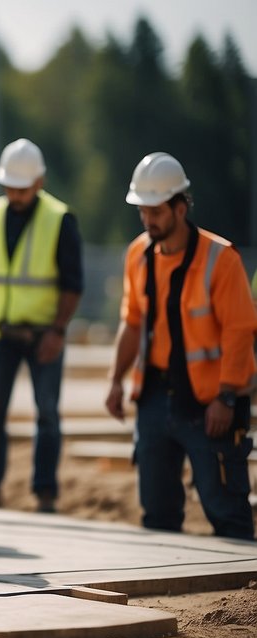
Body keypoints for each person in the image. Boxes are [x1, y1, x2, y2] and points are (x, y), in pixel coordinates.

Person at [105, 152, 256, 541]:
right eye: (142, 211)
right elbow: (132, 321)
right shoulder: (139, 254)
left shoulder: (221, 259)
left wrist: (226, 398)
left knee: (226, 509)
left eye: (155, 211)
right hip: (155, 399)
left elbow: (239, 332)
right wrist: (115, 381)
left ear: (179, 206)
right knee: (156, 514)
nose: (147, 219)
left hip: (210, 405)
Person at [0, 138, 84, 514]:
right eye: (9, 187)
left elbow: (72, 284)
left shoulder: (59, 218)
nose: (15, 194)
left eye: (22, 187)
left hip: (42, 335)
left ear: (39, 182)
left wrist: (58, 331)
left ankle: (45, 493)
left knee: (47, 414)